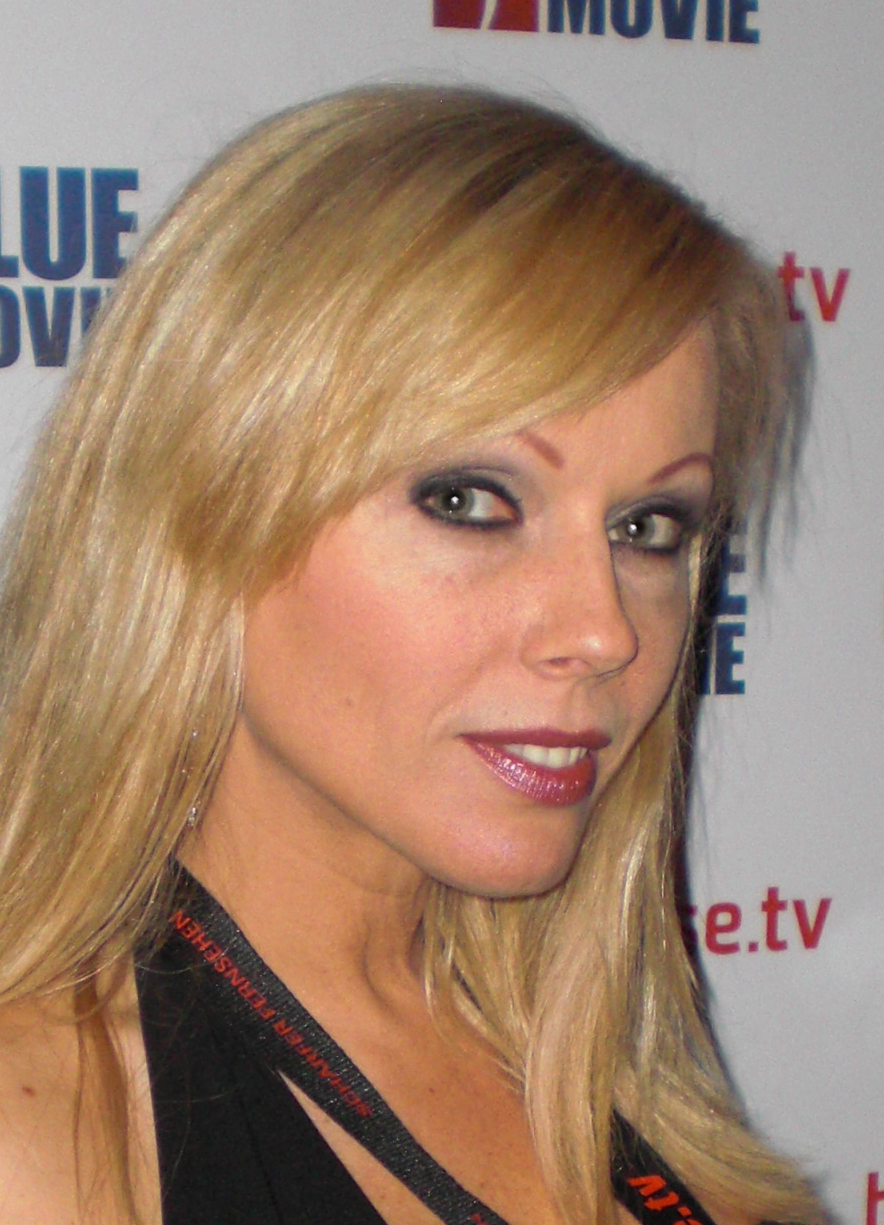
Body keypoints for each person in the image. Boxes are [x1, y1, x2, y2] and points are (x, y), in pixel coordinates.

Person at [0, 86, 821, 1225]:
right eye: (470, 501)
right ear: (201, 507)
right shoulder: (43, 1127)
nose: (602, 630)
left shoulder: (611, 1077)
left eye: (647, 527)